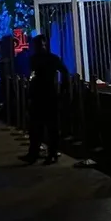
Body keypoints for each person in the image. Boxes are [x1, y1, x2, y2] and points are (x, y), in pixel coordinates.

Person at [20, 35, 69, 165]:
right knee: (49, 127)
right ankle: (49, 153)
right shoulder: (51, 58)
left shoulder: (35, 59)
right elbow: (64, 72)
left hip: (41, 96)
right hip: (48, 95)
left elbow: (32, 76)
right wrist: (63, 89)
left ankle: (37, 153)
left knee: (38, 127)